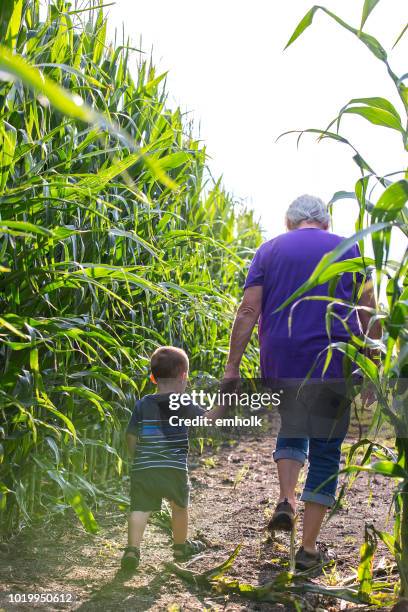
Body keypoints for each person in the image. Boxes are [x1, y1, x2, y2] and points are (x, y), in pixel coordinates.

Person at [223, 194, 381, 570]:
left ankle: (286, 501)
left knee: (293, 428)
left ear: (288, 221)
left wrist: (231, 367)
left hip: (282, 359)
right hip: (334, 361)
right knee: (326, 449)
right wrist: (373, 366)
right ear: (325, 222)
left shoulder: (269, 250)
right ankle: (308, 549)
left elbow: (248, 310)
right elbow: (369, 313)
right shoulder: (350, 249)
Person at [121, 346, 226, 572]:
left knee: (139, 508)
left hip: (144, 467)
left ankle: (132, 550)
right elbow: (208, 420)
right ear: (183, 375)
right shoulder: (184, 402)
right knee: (179, 507)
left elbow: (130, 435)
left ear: (152, 377)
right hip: (174, 468)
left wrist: (136, 458)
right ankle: (180, 547)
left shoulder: (143, 404)